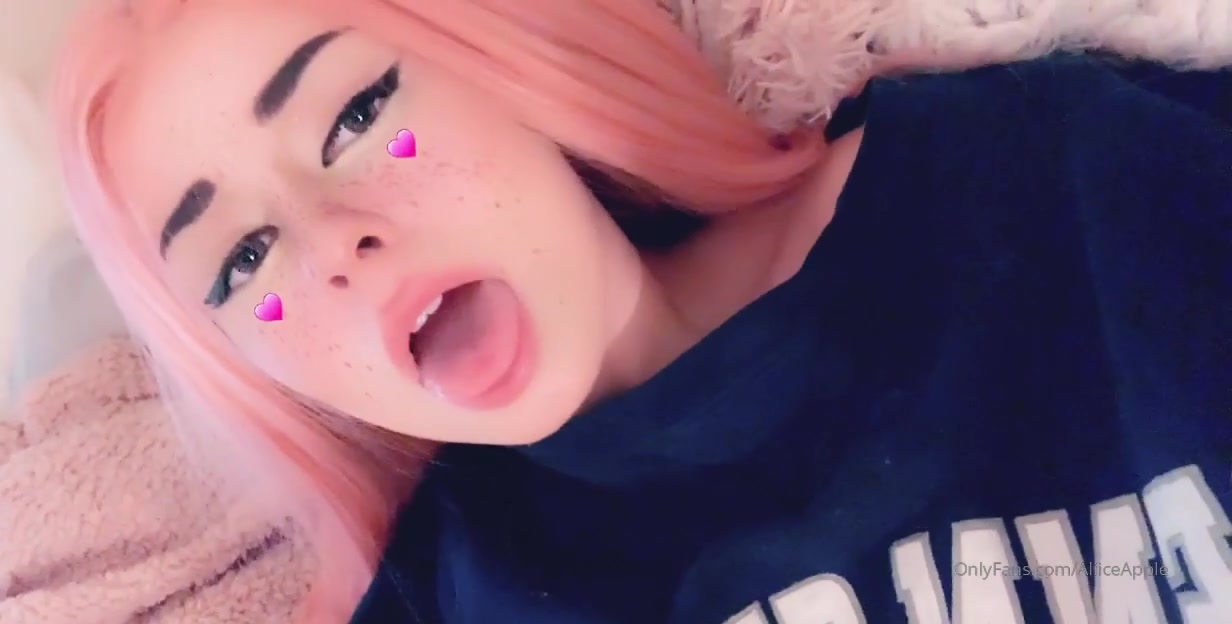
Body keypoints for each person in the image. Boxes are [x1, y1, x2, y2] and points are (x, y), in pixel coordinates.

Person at [49, 0, 1231, 623]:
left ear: (512, 66)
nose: (333, 249)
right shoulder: (447, 596)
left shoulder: (1053, 171)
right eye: (241, 259)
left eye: (355, 119)